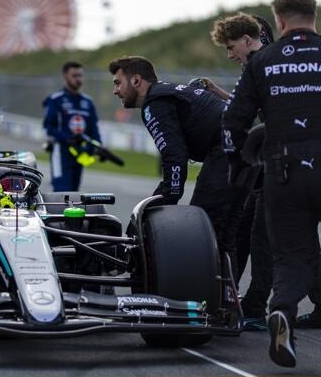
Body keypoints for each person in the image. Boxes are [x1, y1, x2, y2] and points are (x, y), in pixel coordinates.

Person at [223, 0, 321, 367]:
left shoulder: (263, 60)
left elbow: (232, 123)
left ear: (278, 21)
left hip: (284, 171)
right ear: (312, 14)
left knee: (290, 255)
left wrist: (237, 166)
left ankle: (281, 311)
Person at [109, 56, 236, 262]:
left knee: (201, 229)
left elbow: (175, 156)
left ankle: (205, 292)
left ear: (136, 81)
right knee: (228, 236)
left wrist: (166, 196)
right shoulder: (168, 91)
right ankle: (229, 293)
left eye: (117, 83)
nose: (115, 91)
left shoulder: (154, 103)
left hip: (227, 149)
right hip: (245, 148)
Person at [208, 12, 276, 331]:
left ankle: (254, 307)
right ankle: (234, 296)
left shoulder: (264, 66)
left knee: (264, 237)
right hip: (273, 164)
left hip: (287, 165)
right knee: (249, 226)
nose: (229, 54)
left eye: (231, 46)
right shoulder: (262, 65)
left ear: (251, 38)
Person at [43, 61, 101, 192]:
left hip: (80, 153)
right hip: (61, 152)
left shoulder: (88, 102)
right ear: (65, 76)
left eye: (80, 75)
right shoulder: (55, 99)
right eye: (74, 75)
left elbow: (94, 128)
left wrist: (97, 146)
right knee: (62, 193)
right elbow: (48, 127)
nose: (78, 79)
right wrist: (67, 138)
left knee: (74, 194)